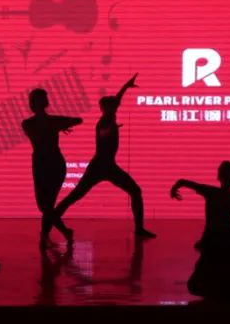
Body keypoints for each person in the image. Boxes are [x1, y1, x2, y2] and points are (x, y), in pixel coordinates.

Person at [52, 74, 157, 238]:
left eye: (113, 107)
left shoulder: (111, 115)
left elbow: (117, 100)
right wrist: (111, 130)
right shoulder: (105, 121)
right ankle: (53, 216)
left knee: (134, 191)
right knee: (77, 194)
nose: (114, 108)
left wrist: (125, 86)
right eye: (110, 107)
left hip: (108, 166)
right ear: (103, 108)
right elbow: (102, 132)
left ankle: (139, 229)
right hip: (100, 165)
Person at [22, 88, 82, 246]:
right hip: (43, 165)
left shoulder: (33, 123)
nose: (32, 104)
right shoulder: (37, 123)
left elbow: (78, 120)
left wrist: (60, 125)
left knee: (46, 205)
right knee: (45, 205)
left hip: (51, 164)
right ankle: (63, 231)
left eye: (34, 101)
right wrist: (60, 125)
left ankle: (45, 236)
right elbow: (76, 120)